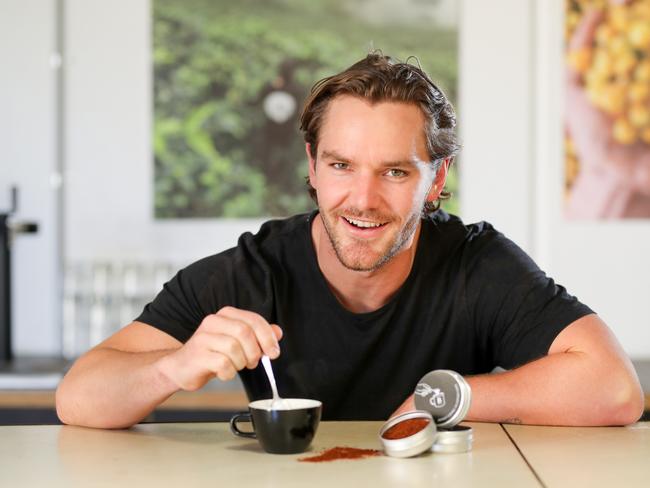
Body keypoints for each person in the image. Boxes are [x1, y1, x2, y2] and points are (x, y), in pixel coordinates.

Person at [56, 53, 644, 429]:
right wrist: (174, 366)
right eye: (341, 166)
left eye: (395, 172)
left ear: (435, 180)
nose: (363, 199)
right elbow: (77, 398)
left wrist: (449, 396)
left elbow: (616, 389)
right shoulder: (252, 270)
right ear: (312, 166)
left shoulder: (477, 263)